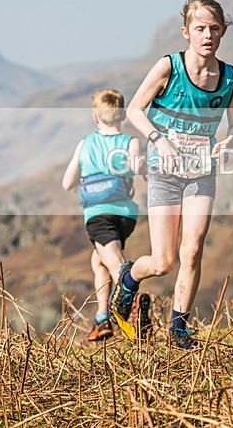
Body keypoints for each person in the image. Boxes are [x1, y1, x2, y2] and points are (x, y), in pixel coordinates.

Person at [111, 0, 233, 349]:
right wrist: (159, 139)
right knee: (163, 261)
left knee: (193, 249)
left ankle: (178, 329)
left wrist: (226, 143)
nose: (207, 35)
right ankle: (128, 279)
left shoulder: (230, 78)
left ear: (222, 32)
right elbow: (134, 110)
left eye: (214, 29)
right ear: (186, 32)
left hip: (202, 171)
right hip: (165, 171)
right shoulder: (169, 67)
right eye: (200, 28)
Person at [62, 89, 148, 342]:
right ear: (123, 116)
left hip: (98, 214)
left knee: (115, 264)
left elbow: (67, 183)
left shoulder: (85, 143)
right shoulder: (130, 142)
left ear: (95, 116)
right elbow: (138, 167)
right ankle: (102, 318)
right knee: (98, 261)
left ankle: (133, 304)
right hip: (125, 215)